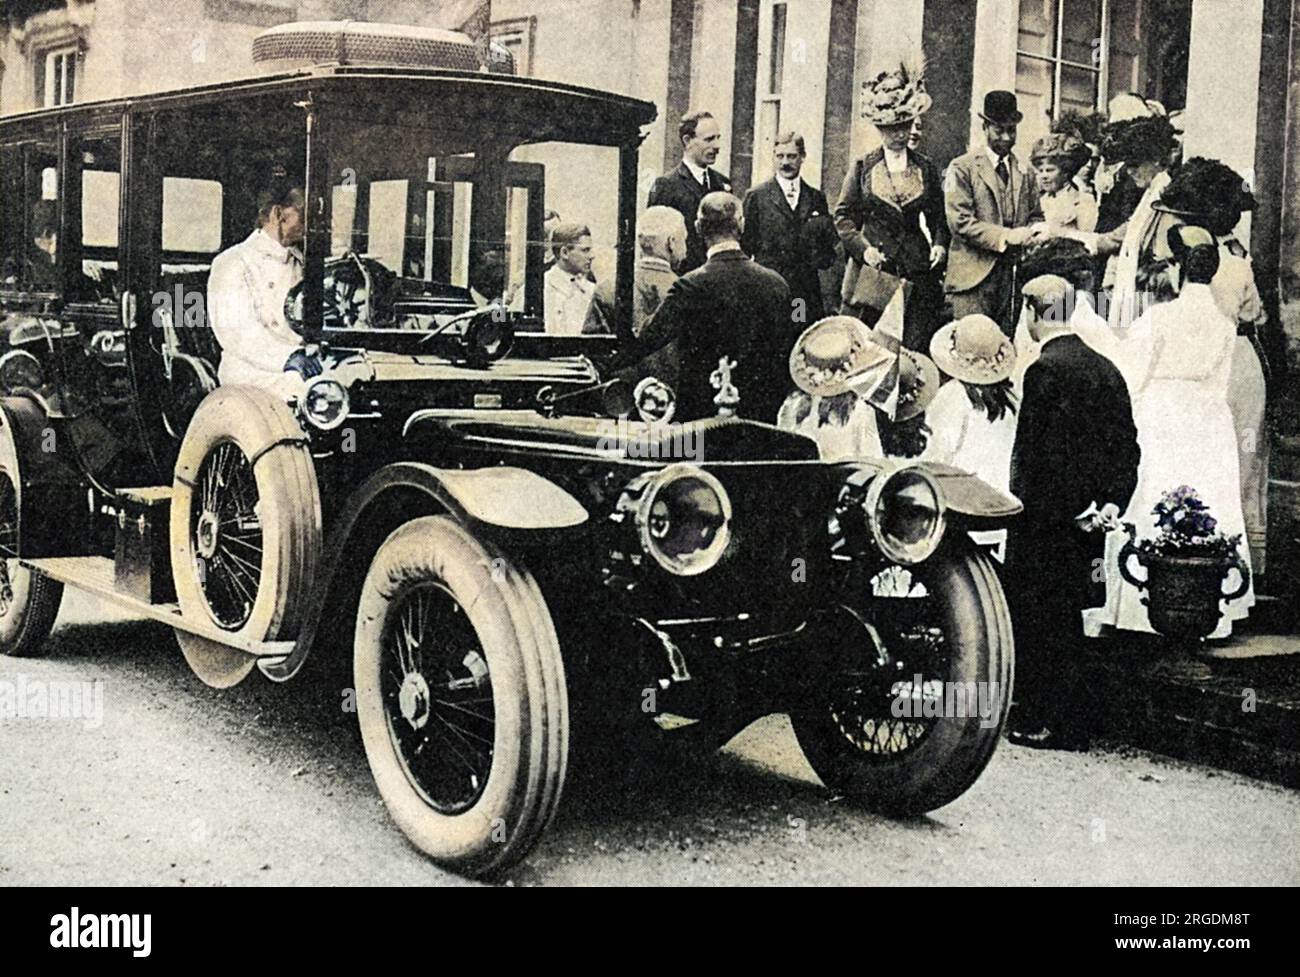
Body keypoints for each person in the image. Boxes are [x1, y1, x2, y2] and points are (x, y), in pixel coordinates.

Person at [1083, 226, 1254, 640]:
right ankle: (1208, 601)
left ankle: (1142, 605)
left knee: (1152, 491)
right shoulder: (1223, 322)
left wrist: (1096, 332)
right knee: (1205, 495)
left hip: (1163, 412)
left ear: (1178, 271)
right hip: (1208, 418)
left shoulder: (1160, 317)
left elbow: (1130, 371)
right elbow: (1221, 383)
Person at [1007, 275, 1140, 750]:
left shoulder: (1044, 371)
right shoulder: (1107, 369)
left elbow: (1039, 458)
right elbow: (1126, 449)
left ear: (1032, 311)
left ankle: (1052, 720)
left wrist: (1034, 509)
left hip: (1048, 521)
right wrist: (1108, 504)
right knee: (1072, 615)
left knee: (1045, 617)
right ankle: (1073, 718)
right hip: (1091, 523)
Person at [1150, 158, 1270, 576]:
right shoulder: (1237, 261)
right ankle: (1246, 564)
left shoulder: (1175, 268)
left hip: (1194, 365)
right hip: (1237, 360)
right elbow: (1256, 316)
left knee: (1204, 459)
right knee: (1245, 457)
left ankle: (1189, 555)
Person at [625, 192, 791, 422]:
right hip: (763, 415)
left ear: (698, 228)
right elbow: (791, 341)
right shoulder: (777, 285)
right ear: (741, 225)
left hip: (700, 417)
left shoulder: (688, 287)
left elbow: (647, 340)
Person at [835, 62, 948, 351]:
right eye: (891, 128)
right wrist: (864, 249)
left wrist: (938, 243)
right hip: (874, 271)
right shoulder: (863, 166)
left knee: (913, 346)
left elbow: (939, 217)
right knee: (864, 346)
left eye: (904, 126)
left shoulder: (926, 167)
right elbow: (844, 218)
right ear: (880, 128)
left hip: (916, 267)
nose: (899, 134)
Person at [943, 90, 1044, 336]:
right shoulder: (962, 168)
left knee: (1005, 350)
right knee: (973, 349)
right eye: (1000, 130)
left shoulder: (1025, 171)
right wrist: (1006, 236)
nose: (1007, 138)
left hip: (1011, 279)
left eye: (1012, 130)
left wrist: (1036, 233)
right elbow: (960, 222)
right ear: (985, 127)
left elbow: (1035, 215)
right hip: (972, 281)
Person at [923, 314, 1019, 558]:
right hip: (999, 508)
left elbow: (937, 457)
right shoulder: (1012, 399)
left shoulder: (953, 396)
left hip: (960, 508)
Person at [207, 177, 312, 392]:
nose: (310, 224)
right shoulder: (233, 262)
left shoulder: (301, 261)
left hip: (301, 359)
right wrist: (287, 357)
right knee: (314, 389)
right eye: (304, 214)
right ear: (277, 214)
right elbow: (237, 333)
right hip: (250, 370)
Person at [1095, 114, 1178, 333]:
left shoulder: (1167, 200)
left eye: (1136, 164)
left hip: (1151, 307)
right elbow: (1115, 237)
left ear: (1158, 161)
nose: (1130, 171)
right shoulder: (1150, 195)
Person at [742, 132, 838, 322]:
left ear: (803, 157)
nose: (785, 162)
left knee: (798, 334)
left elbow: (827, 251)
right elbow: (745, 246)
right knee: (769, 340)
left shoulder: (816, 198)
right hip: (768, 289)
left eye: (792, 156)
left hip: (802, 293)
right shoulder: (757, 196)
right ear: (773, 157)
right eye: (780, 156)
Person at [585, 205, 686, 342]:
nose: (686, 250)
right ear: (671, 242)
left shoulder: (606, 288)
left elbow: (593, 348)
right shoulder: (686, 291)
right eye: (684, 240)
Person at [648, 110, 732, 274]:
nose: (716, 146)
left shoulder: (722, 184)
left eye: (718, 138)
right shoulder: (666, 185)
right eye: (709, 139)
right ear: (687, 140)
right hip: (683, 282)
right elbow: (655, 243)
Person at [543, 222, 596, 335]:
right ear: (565, 253)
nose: (592, 256)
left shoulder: (591, 291)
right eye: (585, 250)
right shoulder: (540, 289)